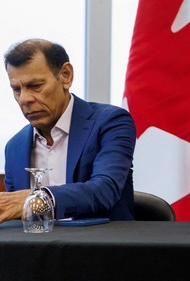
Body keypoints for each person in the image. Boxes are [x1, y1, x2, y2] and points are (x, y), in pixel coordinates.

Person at [1, 39, 135, 222]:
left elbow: (105, 190)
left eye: (35, 86)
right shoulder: (14, 147)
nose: (24, 99)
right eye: (17, 89)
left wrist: (38, 199)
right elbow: (14, 215)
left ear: (66, 75)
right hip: (37, 249)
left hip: (101, 247)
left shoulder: (111, 122)